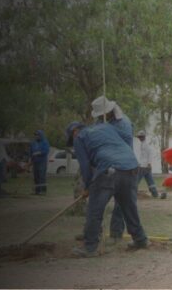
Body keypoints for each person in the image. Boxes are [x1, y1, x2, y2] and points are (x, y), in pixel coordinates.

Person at [67, 121, 149, 257]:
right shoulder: (106, 126)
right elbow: (128, 137)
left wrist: (88, 186)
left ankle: (89, 248)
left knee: (94, 210)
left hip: (109, 170)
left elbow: (85, 165)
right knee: (129, 207)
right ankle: (140, 240)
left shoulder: (79, 137)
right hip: (131, 166)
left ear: (74, 132)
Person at [90, 95, 136, 242]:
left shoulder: (124, 123)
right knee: (97, 201)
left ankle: (116, 234)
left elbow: (118, 143)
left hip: (124, 167)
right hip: (106, 166)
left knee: (122, 204)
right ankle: (93, 232)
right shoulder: (101, 121)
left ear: (109, 111)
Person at [135, 130, 159, 198]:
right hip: (144, 166)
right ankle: (155, 194)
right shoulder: (143, 144)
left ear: (143, 137)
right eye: (139, 137)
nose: (139, 138)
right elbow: (143, 156)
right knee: (150, 180)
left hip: (144, 166)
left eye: (140, 137)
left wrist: (149, 163)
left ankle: (132, 193)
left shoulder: (146, 144)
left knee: (136, 180)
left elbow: (150, 154)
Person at [30, 130, 50, 195]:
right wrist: (30, 158)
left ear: (41, 135)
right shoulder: (33, 142)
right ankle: (37, 191)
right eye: (35, 135)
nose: (36, 136)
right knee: (36, 176)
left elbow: (46, 151)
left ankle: (43, 191)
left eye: (38, 135)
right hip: (35, 161)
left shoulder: (45, 142)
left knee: (42, 176)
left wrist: (38, 153)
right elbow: (30, 151)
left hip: (42, 162)